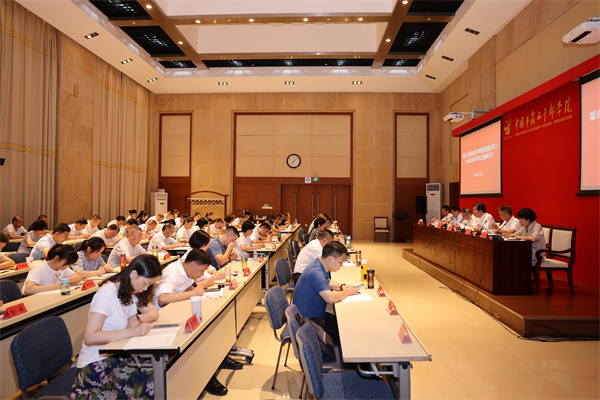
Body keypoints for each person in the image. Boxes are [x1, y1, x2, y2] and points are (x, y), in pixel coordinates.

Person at [71, 254, 161, 399]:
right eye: (145, 283)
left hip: (119, 355)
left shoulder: (131, 291)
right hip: (95, 364)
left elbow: (154, 313)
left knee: (161, 371)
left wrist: (136, 318)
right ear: (133, 274)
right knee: (151, 382)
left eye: (149, 285)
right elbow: (90, 337)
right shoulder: (107, 293)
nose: (145, 288)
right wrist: (131, 332)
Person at [292, 241, 358, 345]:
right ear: (331, 259)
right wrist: (347, 292)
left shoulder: (317, 265)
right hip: (308, 321)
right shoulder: (315, 272)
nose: (341, 265)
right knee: (344, 334)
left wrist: (342, 287)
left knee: (344, 324)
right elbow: (330, 299)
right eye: (340, 262)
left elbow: (327, 281)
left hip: (315, 314)